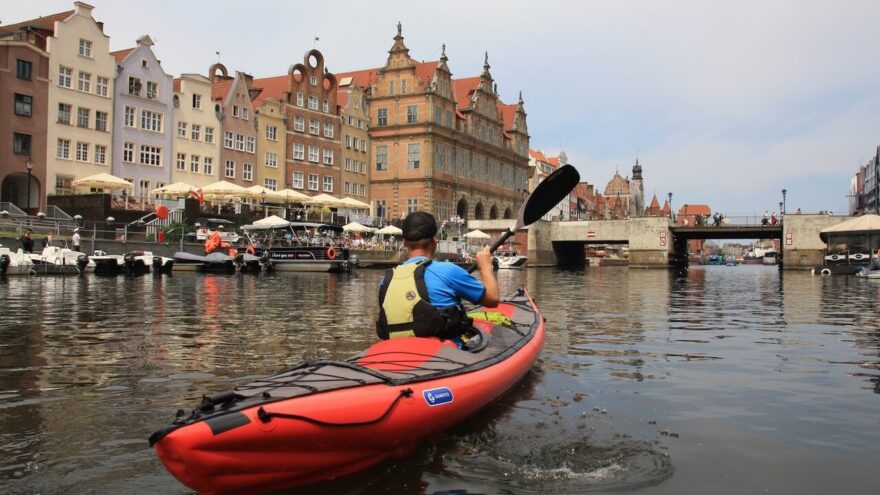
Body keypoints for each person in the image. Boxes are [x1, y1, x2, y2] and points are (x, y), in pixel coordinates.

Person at [376, 211, 499, 342]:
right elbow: (492, 299)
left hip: (397, 355)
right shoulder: (449, 271)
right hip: (443, 356)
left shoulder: (386, 280)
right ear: (435, 240)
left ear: (405, 242)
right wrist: (485, 267)